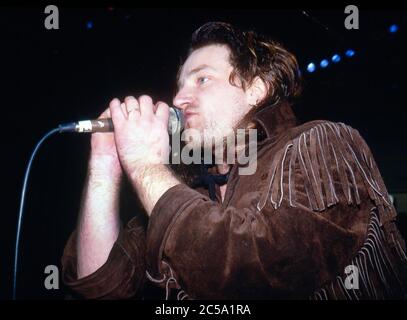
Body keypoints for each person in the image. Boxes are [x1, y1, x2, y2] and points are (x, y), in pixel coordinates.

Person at [61, 21, 407, 299]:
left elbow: (261, 271)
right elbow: (100, 284)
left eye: (202, 79)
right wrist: (105, 164)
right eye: (180, 85)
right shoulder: (182, 186)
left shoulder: (323, 141)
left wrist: (145, 164)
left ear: (256, 89)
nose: (180, 98)